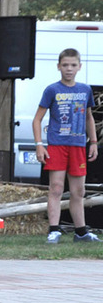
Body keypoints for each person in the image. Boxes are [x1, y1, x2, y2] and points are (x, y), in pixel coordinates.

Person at [33, 48, 100, 244]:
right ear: (58, 67)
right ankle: (54, 229)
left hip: (78, 146)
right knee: (56, 188)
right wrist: (39, 144)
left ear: (79, 67)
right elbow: (37, 119)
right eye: (65, 65)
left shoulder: (85, 90)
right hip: (57, 145)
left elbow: (89, 117)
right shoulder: (52, 90)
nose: (69, 69)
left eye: (73, 65)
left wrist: (93, 142)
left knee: (79, 191)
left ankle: (81, 232)